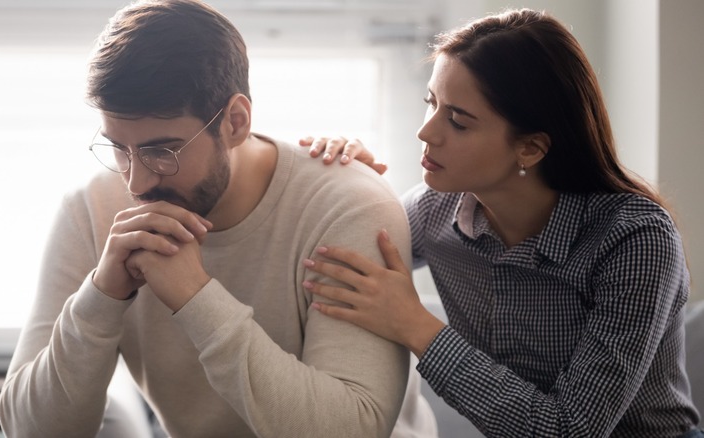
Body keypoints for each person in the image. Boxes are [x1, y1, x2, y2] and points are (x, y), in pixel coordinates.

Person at [0, 0, 437, 437]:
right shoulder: (90, 210)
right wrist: (101, 297)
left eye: (161, 151)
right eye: (118, 148)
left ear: (235, 122)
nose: (136, 182)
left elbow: (350, 431)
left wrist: (196, 298)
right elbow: (29, 432)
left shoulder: (349, 207)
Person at [300, 8, 703, 437]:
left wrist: (414, 323)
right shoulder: (434, 210)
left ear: (529, 148)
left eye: (458, 121)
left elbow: (569, 430)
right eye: (430, 103)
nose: (426, 133)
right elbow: (342, 250)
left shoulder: (636, 238)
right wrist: (351, 181)